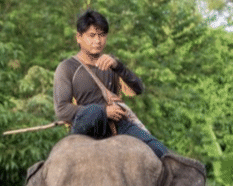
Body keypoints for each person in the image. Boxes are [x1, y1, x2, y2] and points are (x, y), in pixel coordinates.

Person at [53, 10, 168, 157]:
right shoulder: (67, 68)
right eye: (92, 35)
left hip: (118, 124)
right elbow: (62, 110)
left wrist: (118, 66)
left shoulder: (111, 63)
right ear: (79, 37)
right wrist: (103, 112)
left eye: (102, 35)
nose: (98, 41)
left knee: (161, 152)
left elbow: (138, 89)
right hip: (87, 126)